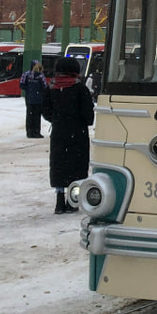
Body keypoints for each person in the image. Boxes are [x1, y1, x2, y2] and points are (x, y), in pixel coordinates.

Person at [42, 57, 94, 214]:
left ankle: (59, 201)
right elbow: (88, 115)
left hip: (58, 133)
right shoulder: (80, 89)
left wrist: (57, 119)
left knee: (59, 165)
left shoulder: (51, 88)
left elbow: (45, 111)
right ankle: (73, 202)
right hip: (77, 133)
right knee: (76, 167)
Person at [18, 60, 46, 138]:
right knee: (37, 115)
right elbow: (44, 87)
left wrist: (29, 89)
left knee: (30, 115)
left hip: (30, 98)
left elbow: (21, 85)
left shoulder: (26, 74)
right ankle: (36, 131)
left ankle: (30, 132)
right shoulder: (41, 76)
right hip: (38, 98)